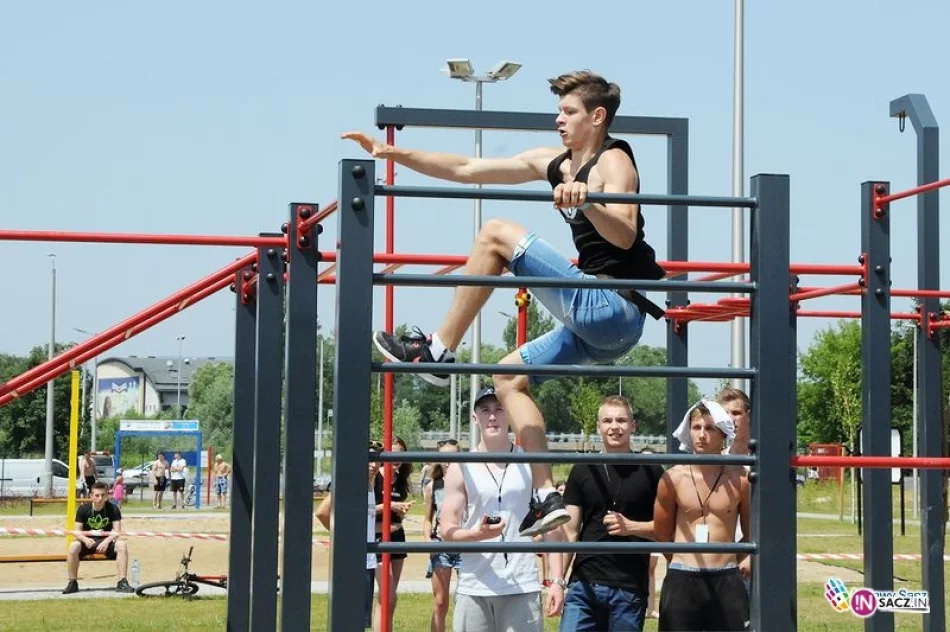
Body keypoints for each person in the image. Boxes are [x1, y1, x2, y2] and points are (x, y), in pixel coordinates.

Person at [343, 70, 665, 538]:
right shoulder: (554, 162)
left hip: (614, 304)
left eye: (569, 112)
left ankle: (437, 350)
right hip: (595, 333)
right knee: (507, 377)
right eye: (558, 111)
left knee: (495, 232)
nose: (559, 120)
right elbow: (467, 169)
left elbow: (625, 231)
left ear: (597, 117)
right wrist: (393, 154)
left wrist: (589, 201)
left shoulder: (614, 163)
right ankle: (545, 496)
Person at [439, 387, 566, 632]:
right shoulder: (460, 466)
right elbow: (446, 528)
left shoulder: (531, 461)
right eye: (485, 410)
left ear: (509, 414)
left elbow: (551, 525)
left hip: (522, 584)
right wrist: (477, 535)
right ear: (475, 418)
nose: (493, 416)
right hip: (474, 585)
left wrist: (558, 581)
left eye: (499, 409)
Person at [560, 395, 663, 631]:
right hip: (583, 584)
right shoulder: (583, 469)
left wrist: (632, 527)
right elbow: (570, 531)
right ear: (598, 427)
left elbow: (666, 529)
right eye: (607, 421)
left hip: (629, 588)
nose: (614, 427)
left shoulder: (651, 471)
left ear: (633, 425)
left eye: (621, 420)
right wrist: (558, 581)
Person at [653, 400, 751, 631]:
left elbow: (750, 533)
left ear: (723, 434)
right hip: (682, 578)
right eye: (696, 428)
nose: (702, 435)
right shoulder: (672, 478)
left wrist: (735, 560)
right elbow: (662, 534)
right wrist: (681, 563)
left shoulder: (740, 479)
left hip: (726, 578)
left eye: (710, 428)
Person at [316, 441, 383, 630]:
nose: (373, 465)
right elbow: (321, 512)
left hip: (367, 560)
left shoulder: (371, 484)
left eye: (377, 460)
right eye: (369, 460)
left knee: (360, 621)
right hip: (355, 561)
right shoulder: (351, 484)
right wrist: (344, 539)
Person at [62, 482, 134, 594]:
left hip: (106, 541)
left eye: (102, 495)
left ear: (107, 496)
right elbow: (77, 531)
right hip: (87, 542)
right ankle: (72, 583)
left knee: (122, 545)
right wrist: (85, 540)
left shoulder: (113, 508)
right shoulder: (82, 509)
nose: (100, 498)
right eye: (97, 495)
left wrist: (106, 541)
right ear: (91, 496)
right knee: (73, 546)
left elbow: (117, 531)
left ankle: (122, 582)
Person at [423, 439, 462, 632]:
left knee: (466, 600)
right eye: (444, 457)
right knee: (440, 602)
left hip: (465, 545)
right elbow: (427, 519)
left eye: (453, 457)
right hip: (441, 546)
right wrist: (428, 543)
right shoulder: (433, 486)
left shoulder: (468, 483)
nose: (448, 461)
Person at [638, 446, 661, 620]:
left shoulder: (660, 482)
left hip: (653, 529)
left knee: (651, 569)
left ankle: (651, 607)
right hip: (639, 530)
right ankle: (645, 605)